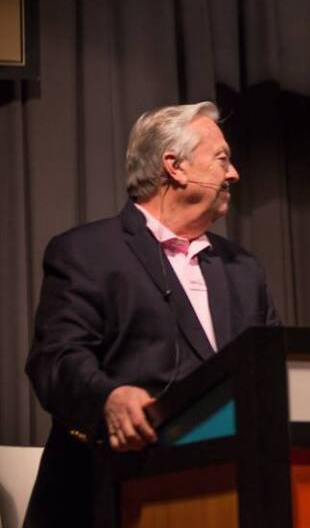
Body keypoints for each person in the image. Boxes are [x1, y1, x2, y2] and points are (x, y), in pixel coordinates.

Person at [24, 102, 280, 527]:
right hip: (108, 488)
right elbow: (56, 358)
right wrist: (107, 397)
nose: (233, 173)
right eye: (222, 159)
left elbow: (270, 371)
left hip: (226, 492)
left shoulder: (243, 269)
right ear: (174, 167)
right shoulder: (87, 252)